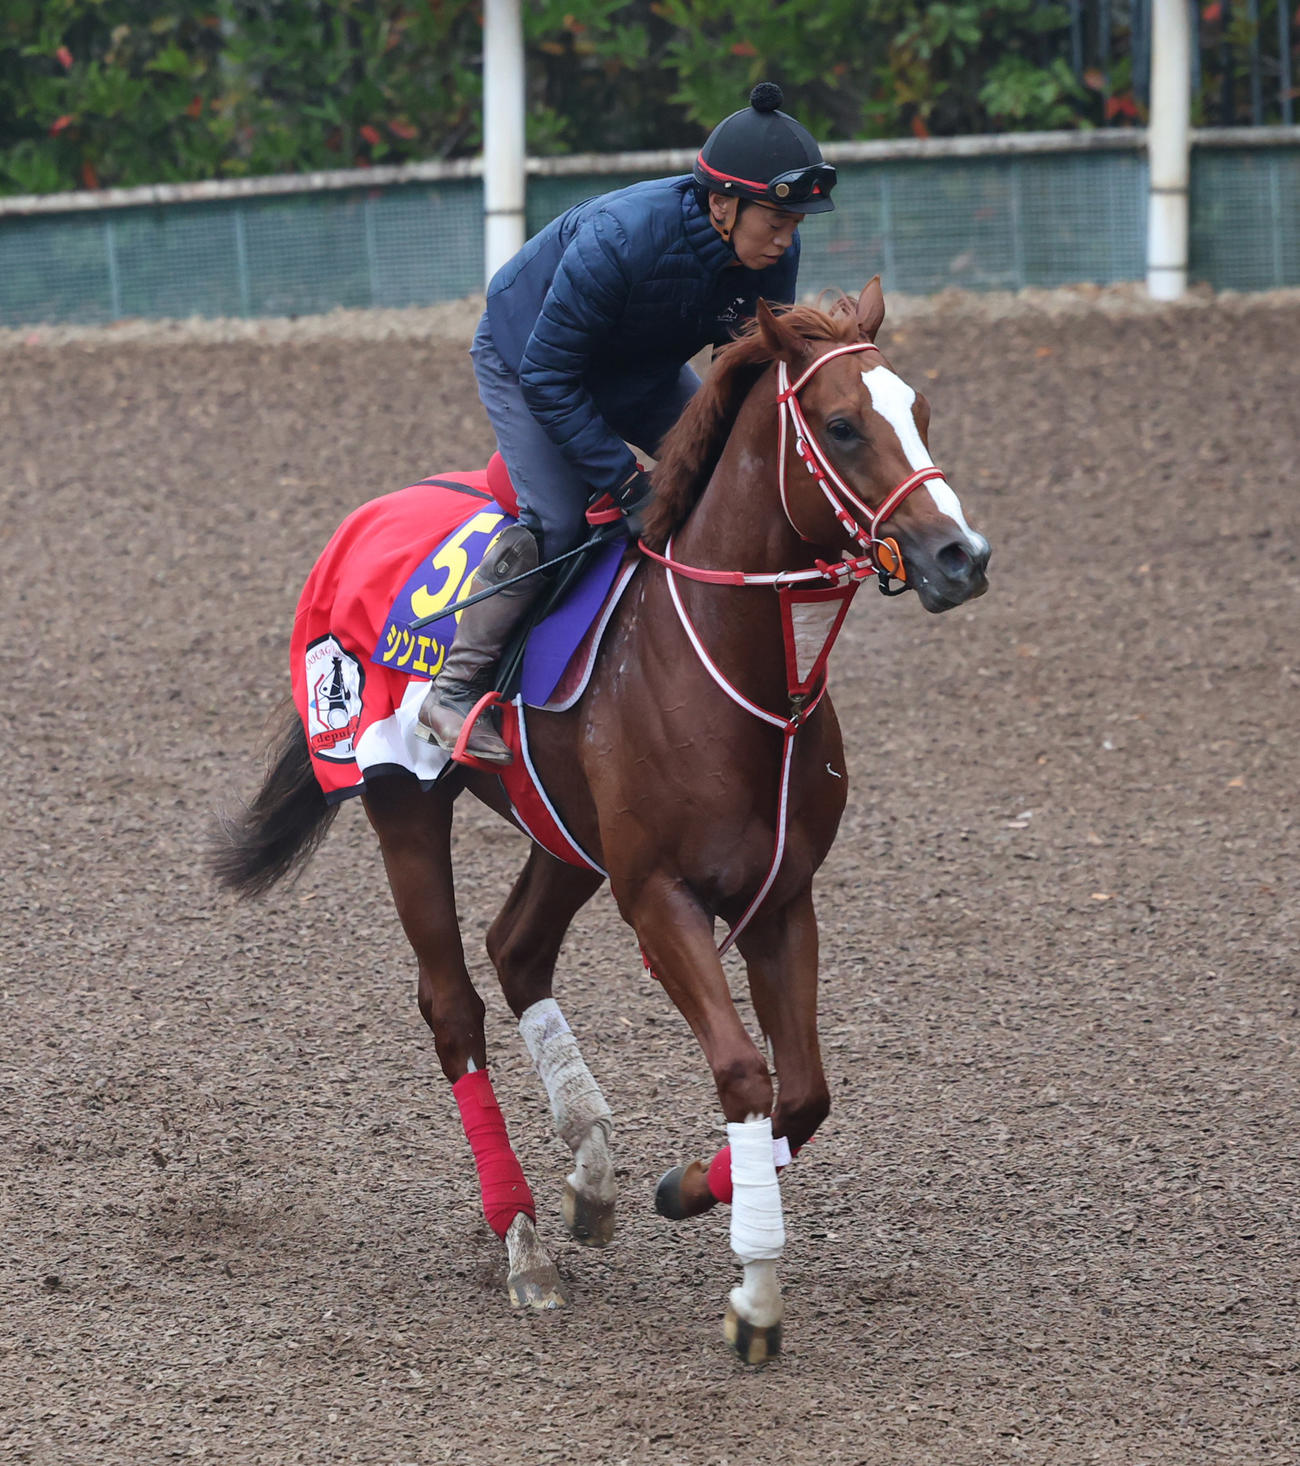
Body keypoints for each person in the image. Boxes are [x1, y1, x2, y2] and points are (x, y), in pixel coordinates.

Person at [416, 81, 837, 764]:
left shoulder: (771, 254)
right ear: (722, 205)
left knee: (728, 474)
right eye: (777, 223)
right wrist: (628, 484)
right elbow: (551, 379)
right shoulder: (618, 239)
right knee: (559, 516)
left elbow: (747, 369)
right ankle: (455, 690)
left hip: (638, 365)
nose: (788, 242)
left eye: (796, 227)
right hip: (528, 360)